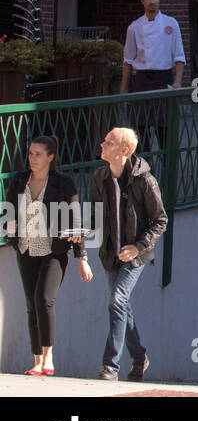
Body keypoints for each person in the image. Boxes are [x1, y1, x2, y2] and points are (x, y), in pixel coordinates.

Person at [2, 136, 93, 377]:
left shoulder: (63, 183)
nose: (32, 158)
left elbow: (74, 219)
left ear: (50, 157)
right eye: (31, 153)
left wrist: (81, 257)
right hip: (26, 248)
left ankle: (49, 354)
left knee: (44, 300)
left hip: (54, 250)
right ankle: (36, 360)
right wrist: (10, 234)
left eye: (38, 154)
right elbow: (8, 210)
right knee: (32, 305)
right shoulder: (20, 180)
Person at [91, 128, 168, 381]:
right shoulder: (99, 177)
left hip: (136, 254)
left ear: (124, 151)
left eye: (109, 142)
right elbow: (95, 216)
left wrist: (138, 247)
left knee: (116, 301)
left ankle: (110, 366)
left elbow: (160, 220)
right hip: (111, 254)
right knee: (122, 305)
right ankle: (139, 358)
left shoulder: (144, 181)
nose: (103, 144)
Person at [120, 0, 185, 152]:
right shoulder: (134, 27)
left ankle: (167, 172)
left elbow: (179, 56)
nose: (152, 2)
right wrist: (123, 90)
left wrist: (177, 82)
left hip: (163, 79)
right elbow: (128, 60)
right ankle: (144, 172)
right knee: (140, 133)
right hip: (141, 81)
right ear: (142, 1)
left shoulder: (171, 24)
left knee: (164, 131)